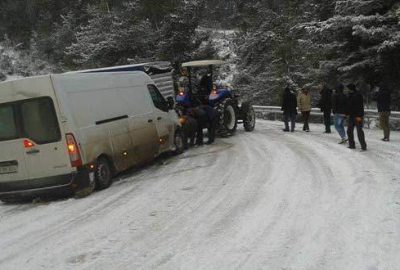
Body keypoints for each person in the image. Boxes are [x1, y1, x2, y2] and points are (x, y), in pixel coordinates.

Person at [346, 83, 367, 151]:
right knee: (349, 130)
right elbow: (349, 106)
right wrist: (347, 113)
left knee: (359, 131)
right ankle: (352, 145)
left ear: (350, 88)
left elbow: (360, 106)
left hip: (357, 116)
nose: (347, 90)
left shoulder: (358, 95)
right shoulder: (350, 95)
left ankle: (363, 146)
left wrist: (359, 116)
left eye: (348, 88)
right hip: (351, 116)